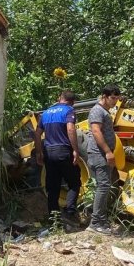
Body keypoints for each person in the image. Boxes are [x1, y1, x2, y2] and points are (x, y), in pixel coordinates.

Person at [34, 90, 81, 219]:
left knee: (53, 187)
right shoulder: (69, 111)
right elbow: (70, 129)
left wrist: (39, 152)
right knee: (74, 182)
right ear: (73, 102)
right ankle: (70, 213)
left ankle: (53, 218)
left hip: (49, 153)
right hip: (63, 151)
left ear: (59, 98)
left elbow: (37, 134)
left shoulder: (46, 113)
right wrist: (75, 150)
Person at [86, 84, 122, 234]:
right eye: (113, 98)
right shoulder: (97, 110)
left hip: (102, 154)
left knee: (103, 186)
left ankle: (101, 220)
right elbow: (96, 131)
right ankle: (95, 223)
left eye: (117, 98)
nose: (115, 101)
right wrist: (108, 151)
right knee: (103, 186)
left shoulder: (104, 111)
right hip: (99, 154)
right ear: (104, 96)